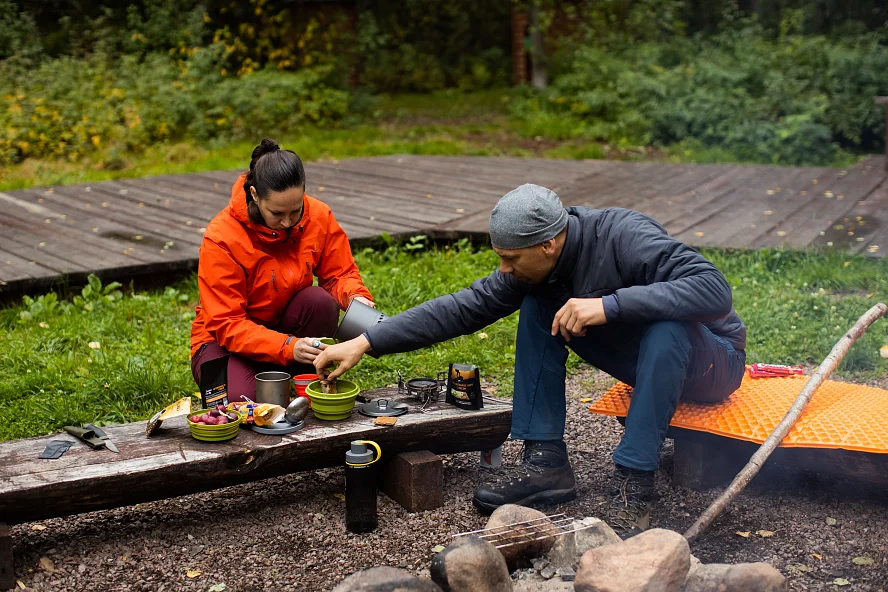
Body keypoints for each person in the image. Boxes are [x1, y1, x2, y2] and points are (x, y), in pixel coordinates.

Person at [315, 184, 746, 538]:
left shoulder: (623, 235)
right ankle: (547, 462)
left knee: (666, 326)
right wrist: (367, 341)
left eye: (510, 259)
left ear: (548, 243)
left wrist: (610, 305)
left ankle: (636, 482)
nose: (502, 269)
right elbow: (460, 308)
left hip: (712, 363)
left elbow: (713, 289)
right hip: (646, 358)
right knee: (540, 304)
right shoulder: (538, 267)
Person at [191, 138, 373, 402]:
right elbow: (226, 323)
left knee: (319, 301)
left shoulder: (319, 216)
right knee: (245, 407)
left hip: (285, 332)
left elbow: (339, 274)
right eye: (276, 213)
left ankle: (301, 377)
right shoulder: (221, 237)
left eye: (295, 211)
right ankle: (266, 375)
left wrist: (355, 298)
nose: (287, 222)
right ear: (254, 195)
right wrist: (288, 346)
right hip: (223, 343)